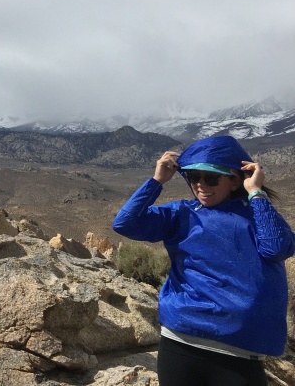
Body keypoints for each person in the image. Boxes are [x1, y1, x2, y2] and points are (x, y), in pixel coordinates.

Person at [113, 135, 294, 386]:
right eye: (194, 177)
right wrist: (156, 181)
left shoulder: (258, 216)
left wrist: (256, 192)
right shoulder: (181, 213)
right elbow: (125, 223)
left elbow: (276, 248)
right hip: (180, 341)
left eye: (210, 178)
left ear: (234, 181)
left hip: (238, 351)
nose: (200, 185)